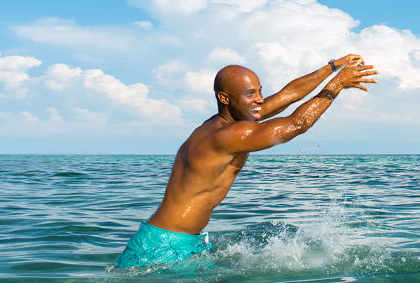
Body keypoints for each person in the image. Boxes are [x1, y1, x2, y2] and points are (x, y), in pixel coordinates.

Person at [116, 53, 376, 270]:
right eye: (251, 94)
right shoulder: (229, 135)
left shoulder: (223, 124)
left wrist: (331, 68)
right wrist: (337, 84)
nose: (260, 99)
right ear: (225, 98)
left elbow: (288, 95)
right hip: (164, 248)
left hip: (171, 240)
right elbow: (297, 124)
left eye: (260, 91)